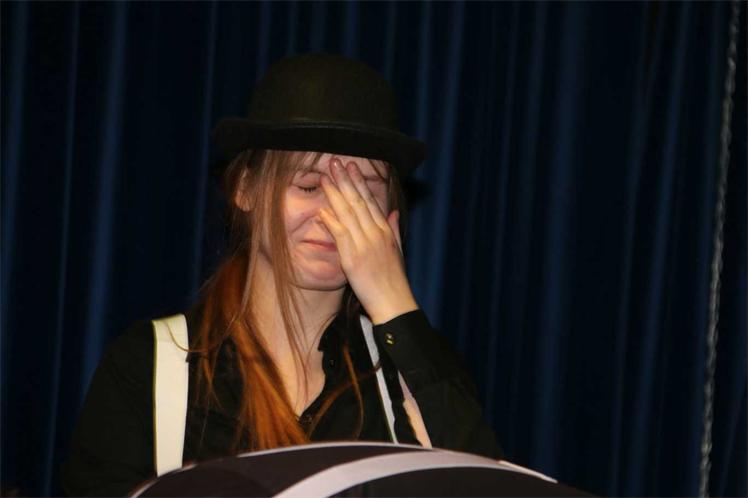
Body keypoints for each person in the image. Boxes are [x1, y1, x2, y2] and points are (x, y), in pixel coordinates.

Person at [61, 53, 502, 496]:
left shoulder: (411, 374)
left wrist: (394, 303)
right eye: (309, 186)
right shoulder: (149, 368)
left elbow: (492, 488)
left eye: (362, 195)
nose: (334, 216)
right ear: (245, 190)